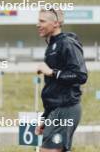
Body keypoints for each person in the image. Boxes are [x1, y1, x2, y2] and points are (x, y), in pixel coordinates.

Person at [35, 8, 88, 152]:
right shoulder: (52, 46)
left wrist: (51, 72)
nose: (37, 24)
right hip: (56, 110)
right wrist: (46, 118)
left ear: (56, 23)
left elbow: (80, 75)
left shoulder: (67, 43)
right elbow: (54, 88)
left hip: (66, 108)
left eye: (42, 21)